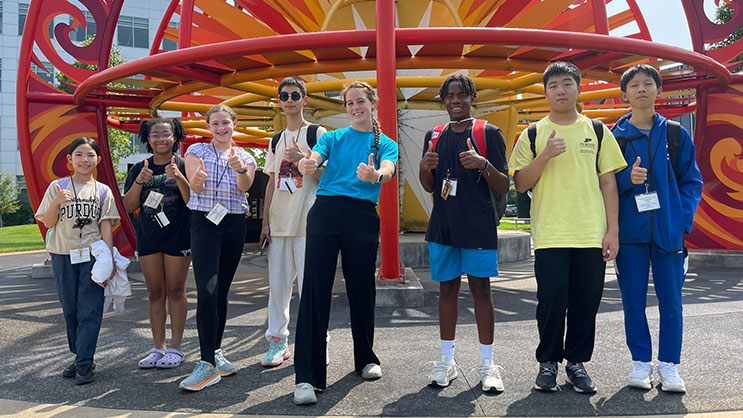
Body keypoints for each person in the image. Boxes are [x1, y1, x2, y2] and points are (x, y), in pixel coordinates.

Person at [509, 61, 627, 393]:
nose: (560, 90)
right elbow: (520, 183)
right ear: (545, 92)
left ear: (578, 88)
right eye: (553, 86)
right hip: (551, 234)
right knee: (551, 300)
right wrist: (545, 154)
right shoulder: (533, 133)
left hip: (591, 232)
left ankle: (576, 363)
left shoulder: (598, 130)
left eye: (566, 84)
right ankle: (548, 363)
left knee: (585, 301)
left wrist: (612, 231)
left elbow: (608, 184)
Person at [292, 80, 398, 405]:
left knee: (361, 286)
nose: (354, 107)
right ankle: (307, 377)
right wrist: (305, 163)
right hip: (325, 212)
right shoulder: (334, 137)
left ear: (373, 102)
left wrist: (375, 176)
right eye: (349, 103)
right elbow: (313, 157)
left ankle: (365, 358)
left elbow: (389, 169)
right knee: (315, 289)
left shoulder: (386, 143)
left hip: (362, 215)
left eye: (360, 101)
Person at [611, 64, 703, 392]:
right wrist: (626, 179)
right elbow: (602, 183)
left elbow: (692, 181)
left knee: (672, 301)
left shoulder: (677, 135)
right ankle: (640, 363)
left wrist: (681, 220)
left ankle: (669, 365)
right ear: (625, 94)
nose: (641, 89)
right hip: (630, 234)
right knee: (633, 300)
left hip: (668, 232)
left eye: (647, 84)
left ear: (658, 90)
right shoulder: (614, 137)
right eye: (633, 85)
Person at [418, 75, 510, 392]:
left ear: (472, 97)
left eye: (462, 95)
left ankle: (488, 364)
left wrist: (483, 164)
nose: (455, 100)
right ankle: (447, 360)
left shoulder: (489, 133)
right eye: (449, 96)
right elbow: (430, 186)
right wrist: (423, 167)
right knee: (446, 292)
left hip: (478, 226)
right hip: (443, 226)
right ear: (442, 100)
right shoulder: (435, 135)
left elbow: (504, 186)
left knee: (481, 292)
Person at [180, 104, 257, 391]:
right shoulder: (196, 151)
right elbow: (195, 187)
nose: (221, 128)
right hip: (204, 222)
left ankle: (215, 351)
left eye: (226, 122)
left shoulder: (245, 155)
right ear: (208, 126)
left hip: (234, 222)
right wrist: (196, 180)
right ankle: (205, 364)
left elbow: (245, 186)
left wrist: (240, 170)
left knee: (222, 289)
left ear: (234, 123)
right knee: (207, 288)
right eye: (215, 123)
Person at [35, 137, 120, 385]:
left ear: (98, 160)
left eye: (90, 155)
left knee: (90, 309)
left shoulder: (103, 191)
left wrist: (110, 261)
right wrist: (56, 203)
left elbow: (106, 228)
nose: (85, 160)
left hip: (93, 257)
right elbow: (48, 222)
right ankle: (81, 354)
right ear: (69, 160)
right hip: (63, 255)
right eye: (79, 155)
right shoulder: (57, 187)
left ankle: (84, 362)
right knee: (70, 310)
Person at [259, 77, 327, 367]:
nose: (289, 100)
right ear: (279, 100)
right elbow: (272, 182)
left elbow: (328, 178)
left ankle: (317, 343)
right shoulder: (276, 139)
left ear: (304, 99)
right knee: (278, 287)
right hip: (279, 222)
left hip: (309, 222)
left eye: (295, 94)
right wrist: (265, 222)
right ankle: (277, 341)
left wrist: (303, 160)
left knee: (312, 287)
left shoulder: (318, 133)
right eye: (284, 95)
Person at [124, 118, 191, 369]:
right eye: (155, 134)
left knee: (176, 290)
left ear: (175, 136)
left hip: (179, 237)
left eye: (166, 133)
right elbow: (129, 206)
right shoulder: (139, 167)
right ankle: (158, 347)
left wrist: (180, 177)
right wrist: (140, 181)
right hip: (149, 237)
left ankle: (176, 347)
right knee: (154, 292)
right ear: (147, 138)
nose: (161, 138)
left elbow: (192, 202)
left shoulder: (184, 164)